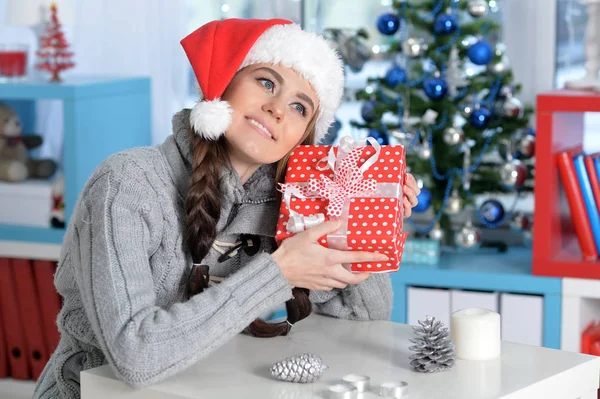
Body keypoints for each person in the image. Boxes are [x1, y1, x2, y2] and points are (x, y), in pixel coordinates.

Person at [33, 18, 421, 399]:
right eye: (266, 82)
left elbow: (365, 319)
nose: (278, 109)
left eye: (300, 108)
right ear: (224, 83)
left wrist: (358, 216)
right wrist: (279, 271)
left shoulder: (285, 201)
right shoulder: (127, 183)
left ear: (302, 138)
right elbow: (136, 356)